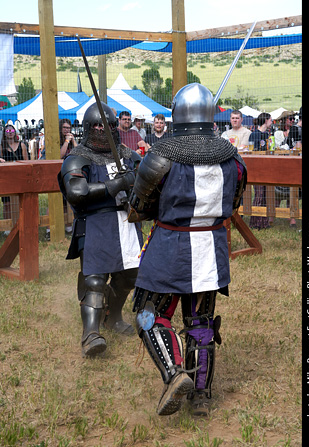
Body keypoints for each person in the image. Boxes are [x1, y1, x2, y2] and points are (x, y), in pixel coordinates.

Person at [128, 83, 247, 416]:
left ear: (177, 112)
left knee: (149, 315)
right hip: (212, 248)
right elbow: (233, 203)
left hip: (171, 247)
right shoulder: (233, 157)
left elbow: (139, 208)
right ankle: (201, 397)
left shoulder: (161, 155)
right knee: (201, 322)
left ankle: (174, 373)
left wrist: (130, 187)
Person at [58, 102, 143, 358]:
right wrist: (117, 183)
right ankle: (90, 334)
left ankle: (113, 317)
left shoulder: (128, 154)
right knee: (95, 280)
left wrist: (137, 185)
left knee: (130, 275)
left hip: (127, 223)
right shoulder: (78, 157)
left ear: (115, 127)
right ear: (86, 128)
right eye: (95, 125)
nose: (100, 129)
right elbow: (77, 191)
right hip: (95, 223)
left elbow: (149, 180)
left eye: (105, 125)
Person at [248, 113, 272, 230]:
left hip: (267, 168)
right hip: (257, 169)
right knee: (259, 195)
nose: (271, 122)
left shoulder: (267, 134)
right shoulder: (254, 135)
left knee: (266, 195)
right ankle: (254, 222)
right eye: (270, 120)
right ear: (266, 120)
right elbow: (252, 151)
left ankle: (263, 222)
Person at [0, 124, 28, 221]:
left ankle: (22, 221)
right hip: (7, 178)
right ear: (4, 133)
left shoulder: (22, 145)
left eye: (12, 130)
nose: (10, 132)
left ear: (15, 132)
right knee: (7, 203)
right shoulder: (1, 147)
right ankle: (8, 226)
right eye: (7, 131)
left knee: (22, 202)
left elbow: (26, 161)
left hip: (20, 177)